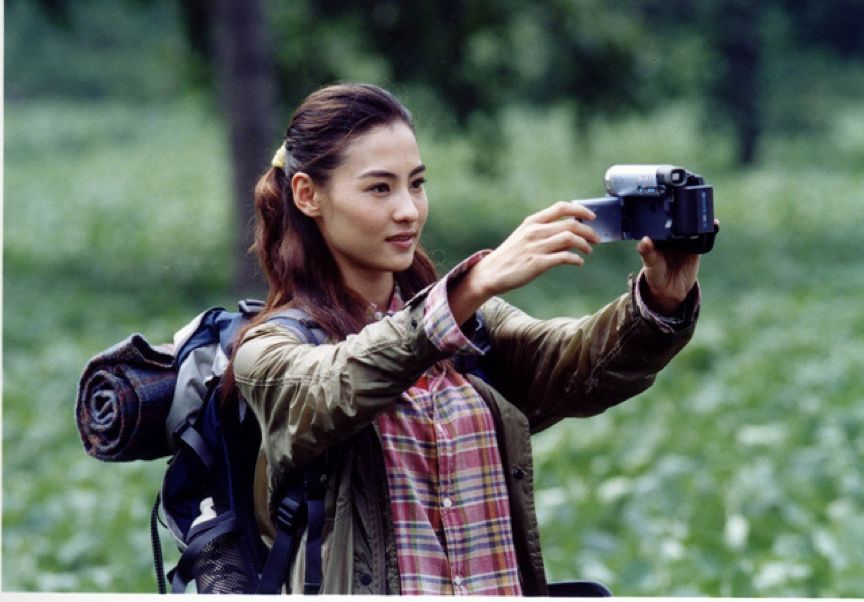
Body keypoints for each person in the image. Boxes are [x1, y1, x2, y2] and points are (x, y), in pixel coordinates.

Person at [230, 82, 701, 595]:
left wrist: (660, 302)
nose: (408, 210)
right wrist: (471, 286)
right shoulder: (268, 351)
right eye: (379, 188)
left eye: (416, 184)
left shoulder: (472, 325)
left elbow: (578, 363)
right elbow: (339, 383)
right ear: (307, 195)